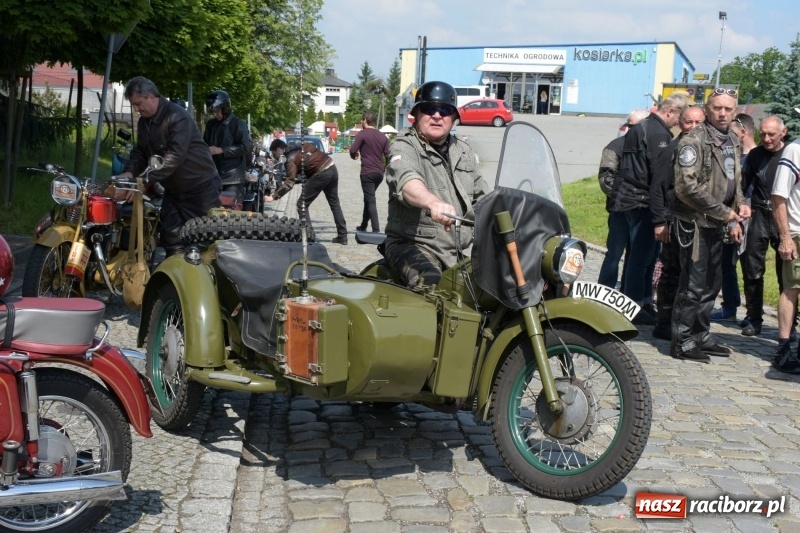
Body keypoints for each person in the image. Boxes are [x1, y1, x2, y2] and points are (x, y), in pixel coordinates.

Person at [670, 88, 750, 362]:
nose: (723, 113)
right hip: (695, 223)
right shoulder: (693, 141)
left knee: (712, 283)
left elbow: (734, 179)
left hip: (718, 222)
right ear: (707, 110)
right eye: (718, 108)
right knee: (692, 285)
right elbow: (685, 187)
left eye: (728, 108)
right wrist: (724, 212)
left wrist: (740, 203)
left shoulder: (732, 139)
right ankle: (682, 340)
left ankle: (701, 334)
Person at [384, 80, 489, 288]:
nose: (437, 115)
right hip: (412, 245)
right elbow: (406, 180)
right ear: (416, 114)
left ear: (454, 118)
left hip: (453, 252)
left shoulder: (463, 151)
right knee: (429, 284)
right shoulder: (404, 145)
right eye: (429, 108)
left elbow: (483, 196)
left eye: (445, 110)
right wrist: (432, 202)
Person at [609, 93, 690, 325]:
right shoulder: (659, 134)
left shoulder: (642, 126)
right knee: (640, 259)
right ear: (670, 112)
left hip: (629, 199)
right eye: (679, 117)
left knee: (642, 257)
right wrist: (660, 215)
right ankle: (633, 308)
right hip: (642, 201)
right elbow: (660, 177)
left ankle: (643, 303)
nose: (678, 123)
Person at [118, 76, 221, 257]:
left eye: (138, 103)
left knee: (205, 241)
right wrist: (129, 172)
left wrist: (143, 181)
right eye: (134, 105)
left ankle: (209, 282)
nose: (136, 109)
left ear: (151, 96)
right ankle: (174, 280)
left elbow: (174, 157)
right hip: (173, 190)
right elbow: (141, 151)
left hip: (200, 187)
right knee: (170, 238)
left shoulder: (178, 116)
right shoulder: (144, 122)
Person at [650, 105, 706, 340]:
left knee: (689, 274)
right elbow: (658, 188)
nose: (692, 127)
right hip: (672, 220)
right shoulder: (673, 149)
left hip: (695, 221)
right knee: (671, 271)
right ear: (680, 123)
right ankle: (664, 323)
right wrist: (660, 221)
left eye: (697, 123)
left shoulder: (703, 147)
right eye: (688, 122)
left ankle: (683, 322)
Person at [737, 116, 788, 336]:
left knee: (785, 272)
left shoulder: (791, 154)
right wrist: (740, 208)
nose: (766, 139)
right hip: (758, 213)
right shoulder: (755, 155)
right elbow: (742, 186)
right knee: (752, 268)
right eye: (763, 134)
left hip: (783, 217)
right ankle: (754, 318)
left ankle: (788, 324)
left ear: (783, 133)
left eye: (771, 135)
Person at [710, 113, 756, 324]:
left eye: (733, 132)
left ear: (743, 132)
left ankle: (753, 313)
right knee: (726, 264)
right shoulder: (734, 155)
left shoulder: (755, 157)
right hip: (730, 217)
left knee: (750, 267)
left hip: (750, 219)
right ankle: (730, 305)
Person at [597, 109, 649, 290]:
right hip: (619, 210)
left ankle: (629, 293)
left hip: (642, 212)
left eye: (637, 126)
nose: (632, 129)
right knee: (614, 254)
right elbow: (605, 180)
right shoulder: (615, 147)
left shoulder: (649, 147)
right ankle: (604, 290)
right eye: (630, 125)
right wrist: (625, 198)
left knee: (635, 256)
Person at [264, 139, 348, 244]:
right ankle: (343, 236)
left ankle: (309, 236)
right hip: (331, 166)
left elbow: (289, 182)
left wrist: (273, 196)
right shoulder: (299, 145)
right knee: (334, 203)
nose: (274, 157)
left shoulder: (290, 159)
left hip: (321, 172)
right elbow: (308, 161)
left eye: (274, 153)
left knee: (302, 204)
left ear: (278, 150)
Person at [770, 142, 800, 373]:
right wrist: (785, 237)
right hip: (797, 232)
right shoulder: (794, 150)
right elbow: (778, 197)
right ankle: (784, 348)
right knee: (792, 288)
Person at [203, 90, 251, 204]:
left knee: (232, 212)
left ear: (225, 109)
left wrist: (222, 150)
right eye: (213, 112)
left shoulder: (237, 123)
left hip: (232, 177)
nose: (215, 114)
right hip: (213, 175)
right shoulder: (211, 124)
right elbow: (204, 143)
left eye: (218, 111)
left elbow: (245, 147)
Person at [349, 111, 390, 233]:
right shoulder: (383, 136)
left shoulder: (362, 134)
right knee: (368, 197)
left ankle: (376, 230)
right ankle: (363, 225)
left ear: (365, 120)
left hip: (367, 172)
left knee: (370, 199)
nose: (361, 122)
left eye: (362, 120)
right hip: (379, 172)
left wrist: (354, 155)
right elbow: (388, 154)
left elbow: (353, 150)